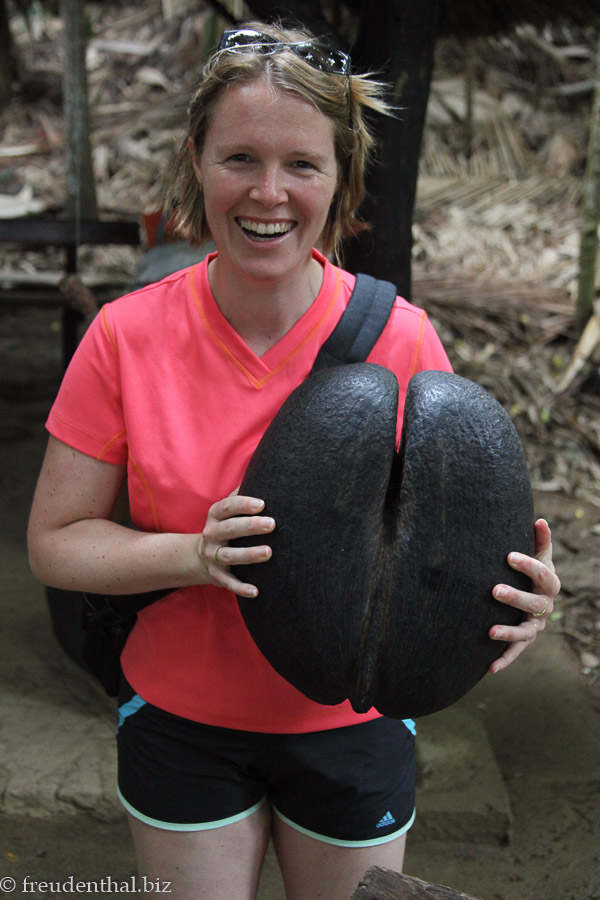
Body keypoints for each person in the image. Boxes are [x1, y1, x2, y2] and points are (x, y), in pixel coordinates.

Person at [27, 21, 560, 900]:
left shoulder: (402, 338)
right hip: (181, 720)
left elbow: (452, 544)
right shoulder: (125, 337)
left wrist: (508, 602)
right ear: (197, 163)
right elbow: (55, 542)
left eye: (302, 164)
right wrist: (193, 555)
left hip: (352, 725)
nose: (268, 192)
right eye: (239, 157)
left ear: (341, 177)